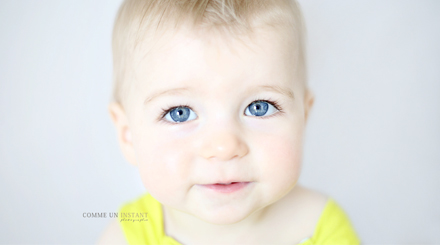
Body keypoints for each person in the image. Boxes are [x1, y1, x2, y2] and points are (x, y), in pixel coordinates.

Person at [100, 0, 361, 244]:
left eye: (259, 108)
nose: (224, 147)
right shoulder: (128, 235)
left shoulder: (324, 229)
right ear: (128, 135)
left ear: (303, 118)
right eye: (180, 112)